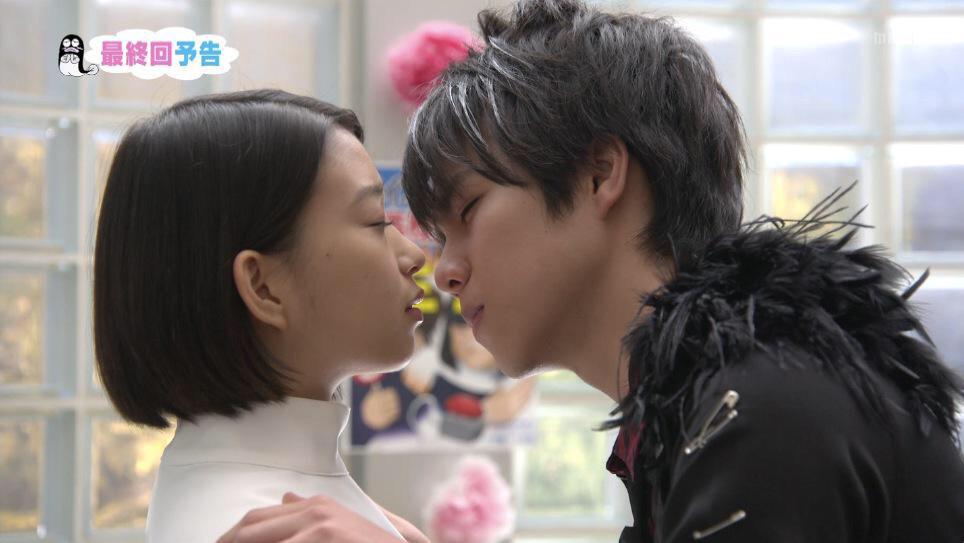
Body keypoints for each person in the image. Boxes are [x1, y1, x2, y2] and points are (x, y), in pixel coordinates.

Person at [218, 1, 964, 541]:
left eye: (469, 210)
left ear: (600, 174)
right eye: (436, 236)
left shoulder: (760, 403)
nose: (444, 272)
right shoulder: (719, 391)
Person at [93, 89, 431, 543]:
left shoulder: (244, 482)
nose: (414, 255)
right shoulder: (268, 522)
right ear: (263, 286)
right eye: (375, 222)